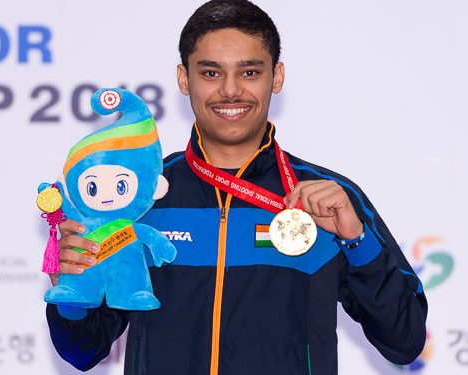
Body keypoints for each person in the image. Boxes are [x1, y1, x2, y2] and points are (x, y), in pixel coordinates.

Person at [46, 1, 428, 374]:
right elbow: (82, 349)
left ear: (276, 77)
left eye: (249, 72)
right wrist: (73, 285)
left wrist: (358, 242)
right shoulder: (140, 199)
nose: (230, 91)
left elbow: (405, 340)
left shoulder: (328, 199)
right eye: (211, 73)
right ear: (184, 78)